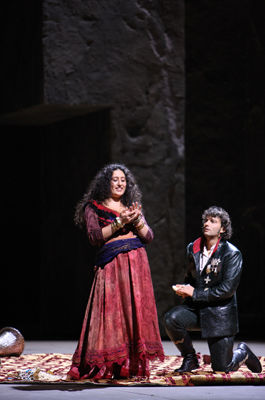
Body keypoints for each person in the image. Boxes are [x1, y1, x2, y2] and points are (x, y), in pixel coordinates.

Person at [68, 163, 164, 380]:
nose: (120, 183)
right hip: (111, 268)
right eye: (115, 179)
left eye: (123, 180)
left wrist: (137, 220)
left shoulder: (131, 206)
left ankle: (132, 365)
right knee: (111, 316)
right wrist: (120, 222)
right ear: (105, 182)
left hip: (137, 265)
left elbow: (148, 237)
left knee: (134, 314)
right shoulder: (93, 208)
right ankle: (110, 365)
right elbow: (95, 237)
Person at [164, 206, 262, 373]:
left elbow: (227, 290)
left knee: (222, 367)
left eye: (213, 221)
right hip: (197, 309)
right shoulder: (192, 248)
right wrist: (185, 289)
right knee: (171, 319)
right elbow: (191, 277)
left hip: (219, 315)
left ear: (222, 229)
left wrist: (194, 293)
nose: (207, 224)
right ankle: (190, 358)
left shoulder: (231, 253)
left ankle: (243, 352)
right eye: (206, 220)